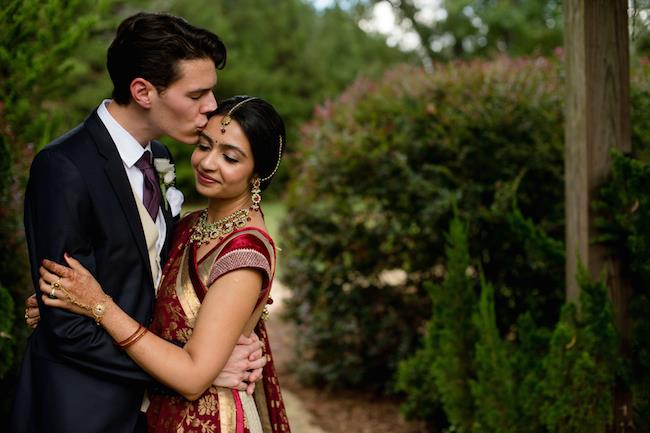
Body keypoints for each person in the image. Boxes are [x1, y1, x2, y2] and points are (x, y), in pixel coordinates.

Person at [11, 13, 265, 433]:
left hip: (145, 412)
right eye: (197, 94)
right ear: (143, 91)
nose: (211, 107)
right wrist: (188, 371)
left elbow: (156, 279)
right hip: (81, 408)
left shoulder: (160, 157)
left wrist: (213, 345)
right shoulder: (64, 167)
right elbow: (68, 329)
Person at [38, 96, 291, 433]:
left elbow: (191, 378)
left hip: (211, 421)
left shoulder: (243, 254)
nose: (207, 163)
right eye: (204, 146)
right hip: (156, 413)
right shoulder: (190, 224)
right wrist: (67, 304)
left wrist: (98, 306)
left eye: (230, 157)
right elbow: (149, 300)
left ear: (258, 172)